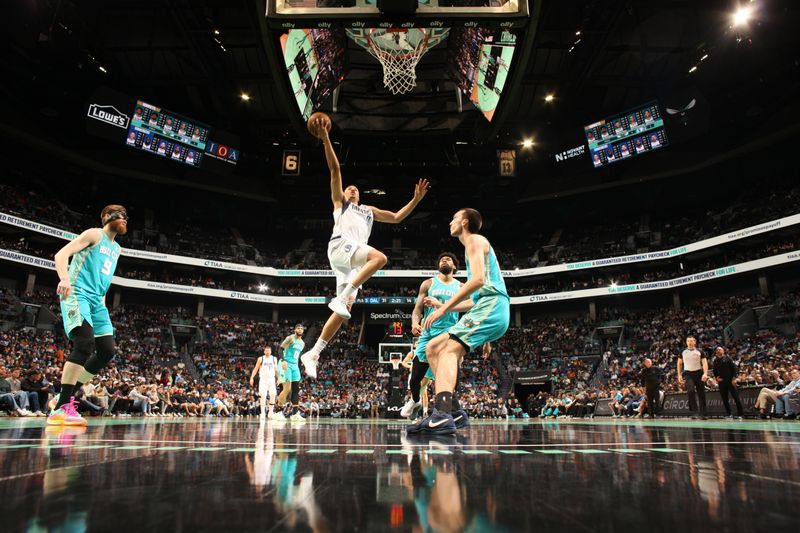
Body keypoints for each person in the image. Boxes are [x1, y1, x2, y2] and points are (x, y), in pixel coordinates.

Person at [300, 115, 429, 379]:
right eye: (349, 189)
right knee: (380, 258)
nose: (352, 190)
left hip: (352, 262)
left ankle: (314, 352)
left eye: (355, 189)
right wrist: (325, 138)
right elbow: (335, 171)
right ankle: (346, 290)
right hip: (341, 247)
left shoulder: (368, 210)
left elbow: (396, 217)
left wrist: (415, 200)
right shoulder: (341, 204)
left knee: (342, 312)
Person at [409, 208, 510, 435]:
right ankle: (453, 410)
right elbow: (473, 303)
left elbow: (477, 281)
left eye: (454, 218)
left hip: (493, 306)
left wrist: (443, 308)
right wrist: (443, 307)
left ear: (464, 222)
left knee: (448, 351)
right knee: (434, 347)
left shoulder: (474, 239)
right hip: (485, 307)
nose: (450, 222)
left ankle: (442, 414)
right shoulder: (471, 247)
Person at [48, 205, 127, 426]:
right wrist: (64, 278)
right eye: (121, 216)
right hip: (77, 291)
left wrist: (101, 304)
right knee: (84, 342)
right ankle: (60, 408)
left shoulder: (117, 249)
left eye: (126, 218)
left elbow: (103, 278)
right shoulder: (94, 234)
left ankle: (64, 395)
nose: (125, 221)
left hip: (97, 301)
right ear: (107, 217)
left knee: (107, 351)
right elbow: (61, 254)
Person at [400, 253, 461, 419]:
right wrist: (414, 323)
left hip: (448, 334)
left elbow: (467, 307)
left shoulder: (460, 287)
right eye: (442, 259)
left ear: (454, 266)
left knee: (449, 379)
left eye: (449, 259)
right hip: (427, 333)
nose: (445, 260)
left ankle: (447, 413)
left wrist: (439, 304)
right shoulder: (428, 283)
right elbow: (417, 309)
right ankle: (415, 401)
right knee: (415, 379)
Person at [677, 335, 709, 419]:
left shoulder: (700, 351)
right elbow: (679, 364)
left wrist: (705, 373)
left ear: (695, 342)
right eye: (688, 341)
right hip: (688, 374)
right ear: (686, 342)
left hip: (699, 373)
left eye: (691, 341)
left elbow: (705, 363)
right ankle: (694, 412)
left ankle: (703, 413)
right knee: (690, 391)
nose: (690, 342)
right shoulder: (682, 352)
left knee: (701, 393)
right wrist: (679, 375)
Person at [280, 324, 306, 421]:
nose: (300, 330)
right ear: (295, 330)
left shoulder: (302, 343)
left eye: (301, 328)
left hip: (295, 366)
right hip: (287, 364)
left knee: (296, 389)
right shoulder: (290, 338)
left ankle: (295, 414)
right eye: (298, 328)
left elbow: (298, 356)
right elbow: (280, 349)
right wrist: (283, 360)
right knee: (287, 389)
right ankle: (278, 411)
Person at [712, 347, 744, 419]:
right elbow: (714, 371)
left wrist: (734, 378)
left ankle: (740, 414)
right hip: (722, 382)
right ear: (716, 352)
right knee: (724, 399)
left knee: (736, 397)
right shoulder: (715, 361)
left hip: (730, 381)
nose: (718, 350)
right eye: (717, 350)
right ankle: (729, 413)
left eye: (720, 349)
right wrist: (717, 377)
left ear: (723, 351)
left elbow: (734, 368)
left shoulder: (728, 358)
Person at [250, 346, 279, 419]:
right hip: (263, 379)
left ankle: (270, 412)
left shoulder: (274, 359)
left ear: (271, 351)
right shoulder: (260, 359)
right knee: (263, 395)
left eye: (269, 351)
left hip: (272, 379)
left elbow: (276, 370)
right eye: (266, 351)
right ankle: (262, 412)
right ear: (264, 351)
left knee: (273, 395)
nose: (267, 352)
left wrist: (279, 378)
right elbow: (256, 368)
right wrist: (252, 377)